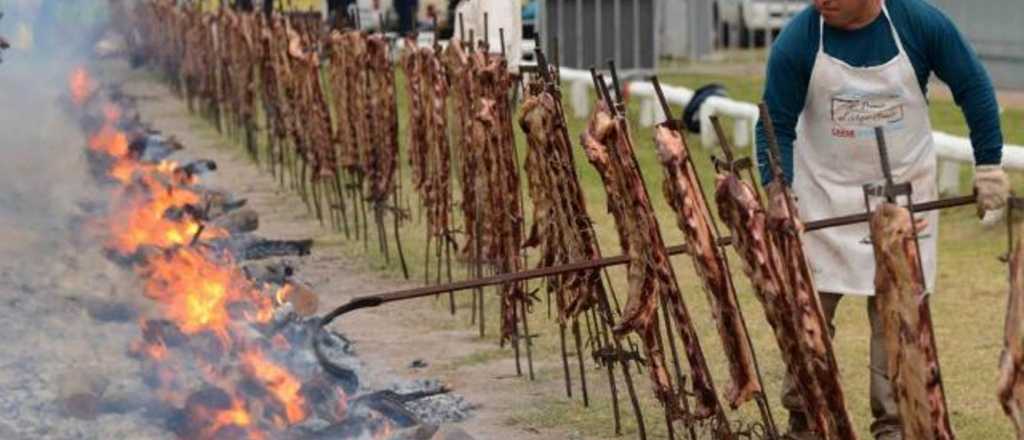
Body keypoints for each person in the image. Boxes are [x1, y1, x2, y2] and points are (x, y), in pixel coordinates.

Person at [755, 0, 1010, 439]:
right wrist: (779, 191)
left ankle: (894, 425)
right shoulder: (799, 39)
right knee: (807, 316)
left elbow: (974, 88)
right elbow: (774, 123)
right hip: (824, 203)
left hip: (905, 201)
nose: (822, 1)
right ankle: (806, 420)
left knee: (896, 322)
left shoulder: (921, 24)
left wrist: (988, 165)